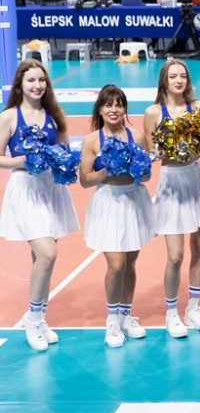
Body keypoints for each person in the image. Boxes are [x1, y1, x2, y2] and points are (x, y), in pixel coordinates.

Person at [0, 60, 79, 351]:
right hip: (25, 189)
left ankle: (39, 317)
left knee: (43, 258)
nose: (37, 86)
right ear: (20, 84)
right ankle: (32, 320)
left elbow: (65, 151)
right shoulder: (9, 116)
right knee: (47, 253)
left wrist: (63, 161)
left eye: (41, 80)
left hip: (50, 188)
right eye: (31, 80)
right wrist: (22, 160)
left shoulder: (55, 115)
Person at [80, 85, 154, 348]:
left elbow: (147, 175)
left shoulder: (138, 136)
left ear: (125, 109)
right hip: (108, 202)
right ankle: (111, 321)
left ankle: (125, 315)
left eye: (119, 105)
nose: (114, 110)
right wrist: (107, 171)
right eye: (108, 105)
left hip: (134, 201)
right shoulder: (92, 141)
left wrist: (139, 170)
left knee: (130, 264)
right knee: (116, 264)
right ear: (100, 109)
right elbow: (84, 180)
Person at [142, 60, 200, 339]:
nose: (178, 80)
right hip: (171, 181)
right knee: (175, 255)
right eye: (173, 76)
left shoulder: (199, 108)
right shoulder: (153, 112)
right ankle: (171, 312)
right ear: (164, 81)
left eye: (183, 76)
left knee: (199, 247)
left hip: (198, 179)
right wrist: (161, 150)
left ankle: (194, 307)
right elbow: (151, 151)